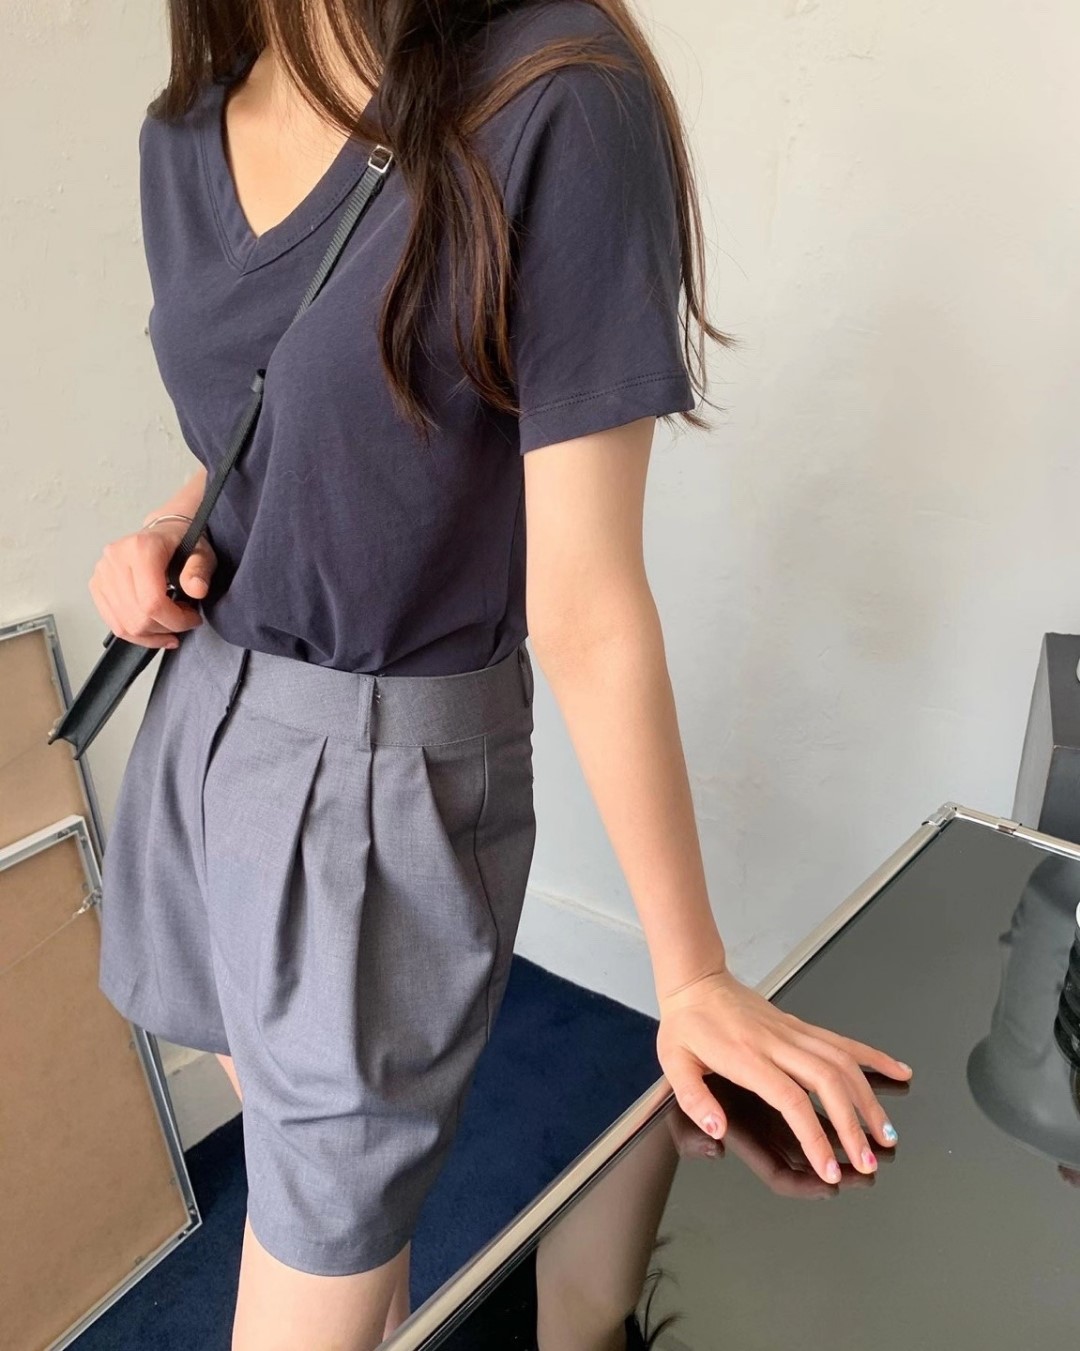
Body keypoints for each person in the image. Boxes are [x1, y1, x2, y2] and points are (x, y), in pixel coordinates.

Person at [88, 2, 913, 1347]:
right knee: (340, 1219)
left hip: (377, 785)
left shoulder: (552, 94)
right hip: (201, 733)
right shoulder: (187, 128)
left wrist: (692, 973)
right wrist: (170, 523)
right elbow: (268, 408)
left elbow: (584, 600)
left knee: (324, 1224)